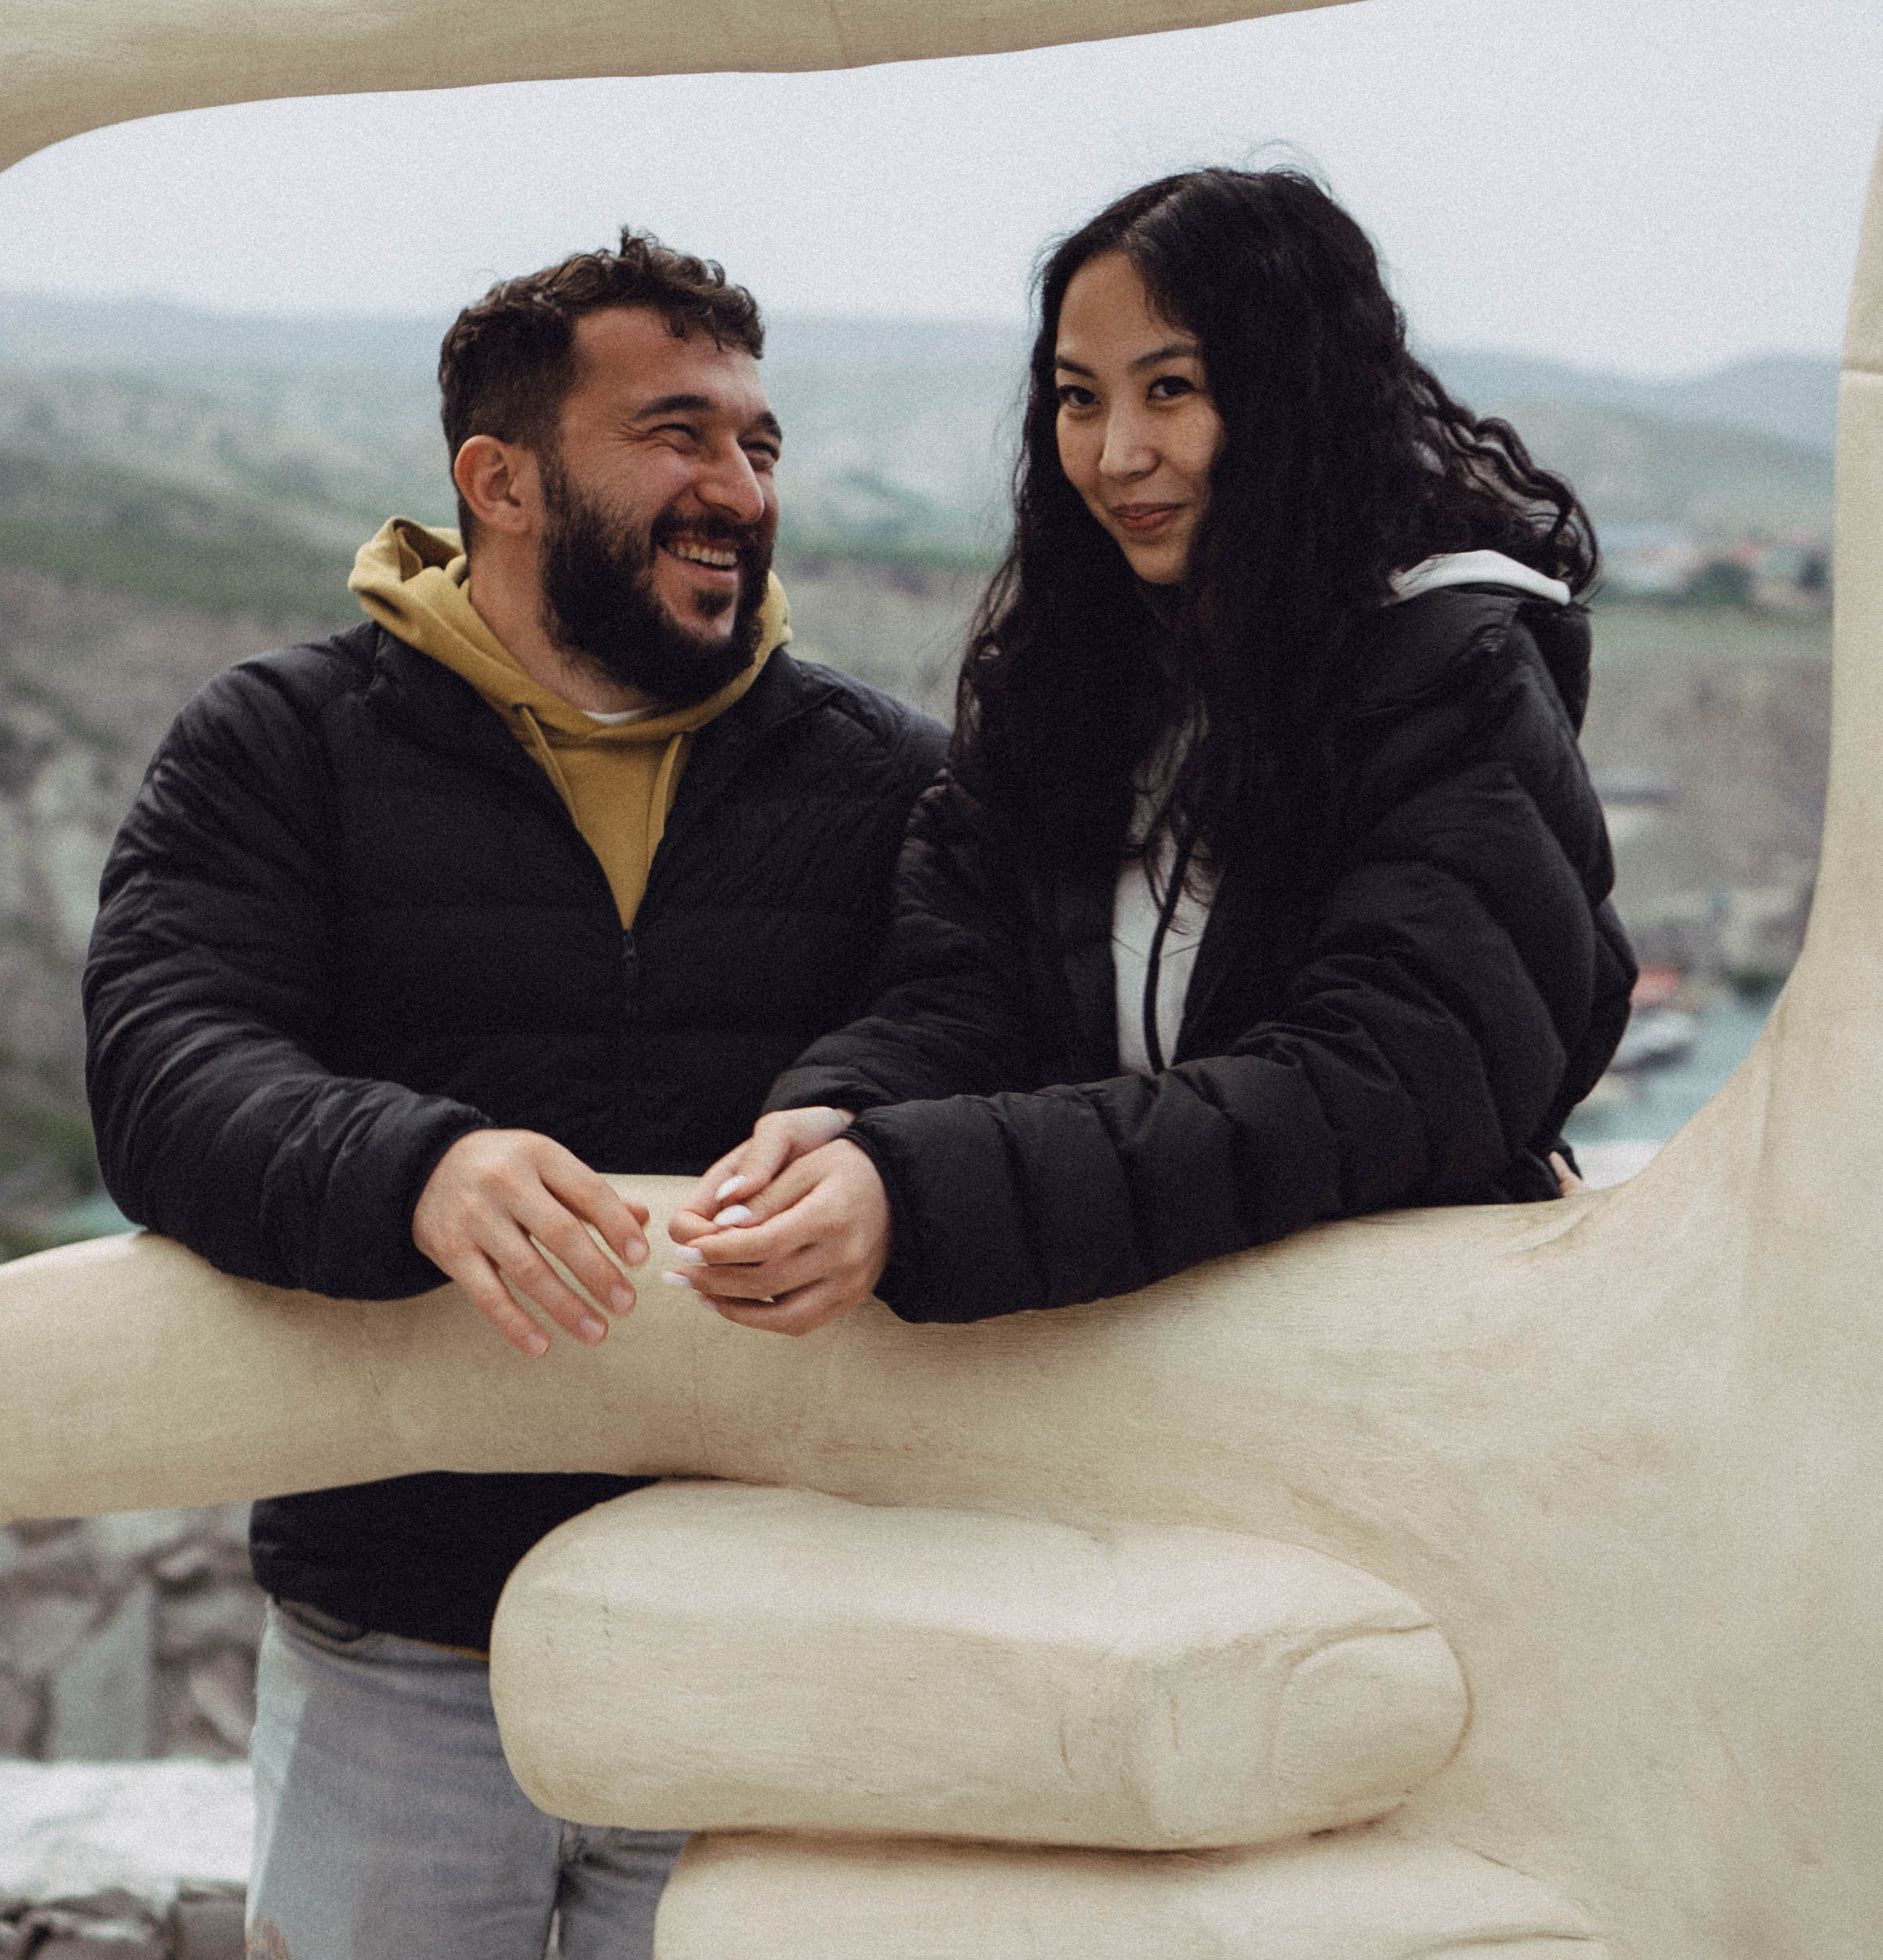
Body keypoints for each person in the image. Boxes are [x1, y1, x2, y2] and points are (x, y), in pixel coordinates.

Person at [82, 231, 945, 1960]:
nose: (736, 483)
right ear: (499, 478)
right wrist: (415, 1159)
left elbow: (970, 1021)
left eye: (755, 438)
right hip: (395, 1646)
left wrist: (865, 1127)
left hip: (761, 1649)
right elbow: (163, 1060)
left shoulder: (879, 776)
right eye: (672, 434)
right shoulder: (278, 746)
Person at [668, 168, 1632, 1333]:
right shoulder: (1076, 674)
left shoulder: (1453, 674)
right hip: (1124, 1357)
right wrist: (847, 1110)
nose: (1118, 453)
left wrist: (922, 1189)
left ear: (1295, 394)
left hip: (1384, 1361)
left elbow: (1390, 1084)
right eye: (1079, 399)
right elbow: (964, 988)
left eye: (1169, 389)